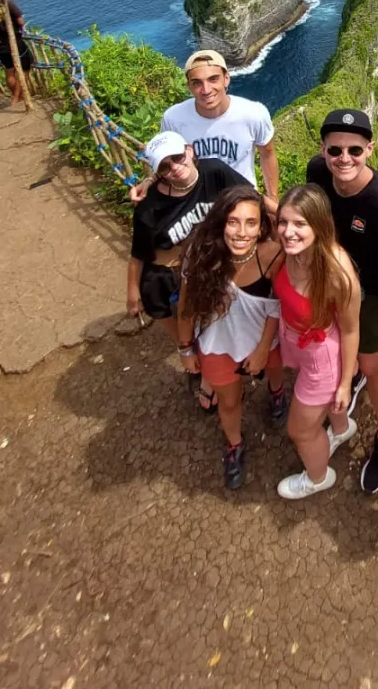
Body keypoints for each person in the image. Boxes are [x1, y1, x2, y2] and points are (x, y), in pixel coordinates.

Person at [127, 130, 289, 422]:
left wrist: (295, 221)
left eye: (177, 157)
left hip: (215, 263)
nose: (174, 167)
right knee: (195, 326)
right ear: (158, 173)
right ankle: (205, 375)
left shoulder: (213, 172)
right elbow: (139, 250)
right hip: (175, 273)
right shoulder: (149, 205)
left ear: (190, 150)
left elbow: (253, 200)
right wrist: (133, 292)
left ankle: (248, 380)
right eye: (164, 166)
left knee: (226, 319)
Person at [306, 109, 378, 495]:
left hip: (368, 293)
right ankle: (351, 380)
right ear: (323, 149)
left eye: (354, 149)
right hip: (326, 281)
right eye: (335, 150)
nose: (344, 159)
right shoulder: (317, 173)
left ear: (370, 148)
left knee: (371, 358)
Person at [176, 186, 282, 488]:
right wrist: (186, 349)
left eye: (251, 223)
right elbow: (186, 307)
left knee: (276, 369)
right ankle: (234, 444)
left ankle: (276, 394)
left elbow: (277, 305)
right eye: (233, 221)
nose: (241, 232)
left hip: (263, 336)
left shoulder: (272, 255)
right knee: (230, 401)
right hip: (218, 343)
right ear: (220, 221)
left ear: (262, 226)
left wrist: (262, 349)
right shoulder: (201, 253)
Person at [272, 184, 361, 500]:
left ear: (319, 225)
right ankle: (340, 429)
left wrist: (345, 384)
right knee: (325, 408)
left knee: (300, 430)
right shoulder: (289, 250)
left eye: (300, 224)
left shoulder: (337, 274)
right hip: (297, 341)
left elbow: (351, 330)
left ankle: (318, 477)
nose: (288, 232)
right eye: (283, 222)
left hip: (322, 358)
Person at [131, 50, 278, 209]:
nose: (206, 90)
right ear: (189, 86)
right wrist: (149, 182)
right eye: (197, 83)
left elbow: (267, 154)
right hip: (197, 206)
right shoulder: (174, 118)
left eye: (213, 79)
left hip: (243, 202)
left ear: (226, 79)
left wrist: (273, 198)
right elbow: (169, 162)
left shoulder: (254, 113)